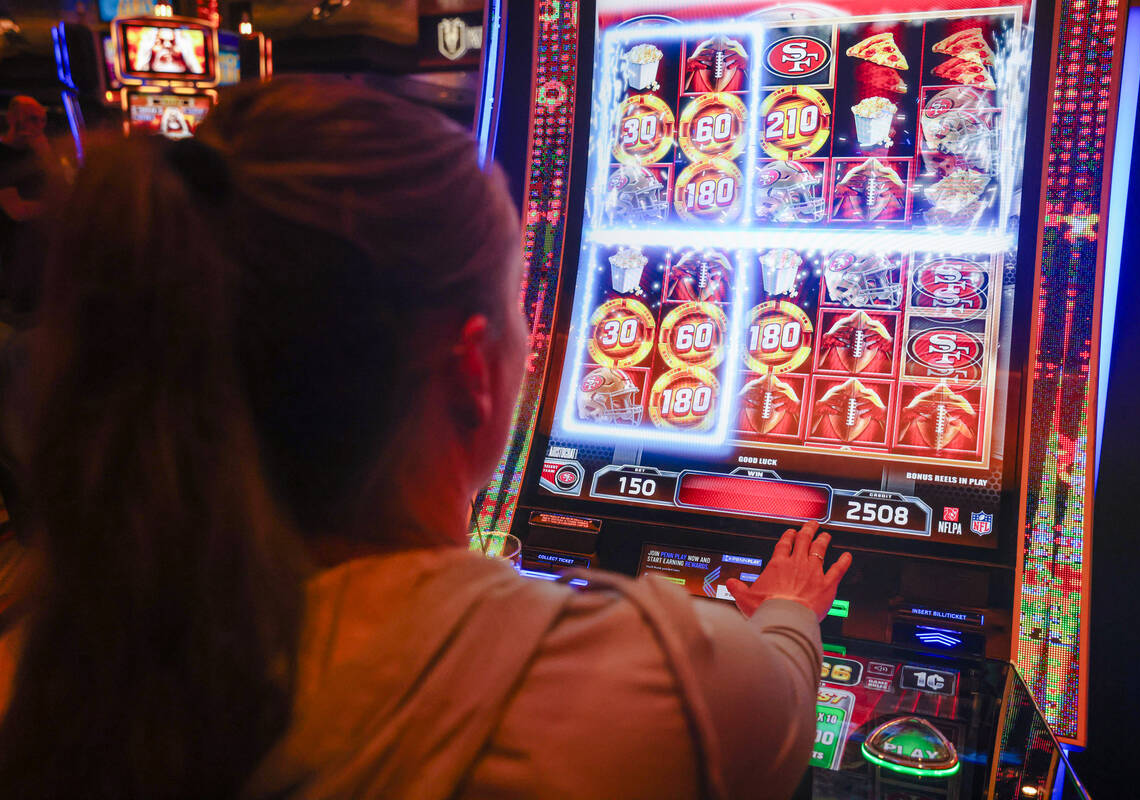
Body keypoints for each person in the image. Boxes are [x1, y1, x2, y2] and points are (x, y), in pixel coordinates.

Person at [0, 78, 851, 799]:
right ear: (475, 369)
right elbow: (781, 699)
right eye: (525, 295)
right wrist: (789, 608)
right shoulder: (650, 681)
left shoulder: (58, 639)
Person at [0, 95, 60, 320]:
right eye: (32, 119)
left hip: (48, 258)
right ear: (12, 119)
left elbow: (66, 189)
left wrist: (46, 156)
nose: (39, 126)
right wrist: (55, 206)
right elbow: (17, 211)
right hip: (17, 262)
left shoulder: (43, 151)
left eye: (42, 120)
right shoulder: (3, 155)